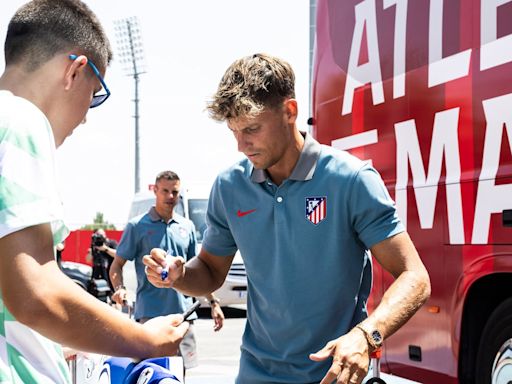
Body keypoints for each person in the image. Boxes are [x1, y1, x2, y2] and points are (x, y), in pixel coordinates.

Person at [143, 53, 431, 384]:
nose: (241, 145)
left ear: (289, 112)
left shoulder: (351, 179)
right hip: (256, 373)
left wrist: (366, 337)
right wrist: (177, 275)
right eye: (234, 131)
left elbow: (415, 277)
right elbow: (209, 272)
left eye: (251, 129)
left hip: (334, 374)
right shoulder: (228, 186)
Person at [0, 2, 188, 383]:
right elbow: (35, 293)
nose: (87, 115)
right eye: (96, 94)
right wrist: (145, 339)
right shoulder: (21, 121)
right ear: (76, 70)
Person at [110, 170, 225, 374]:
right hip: (150, 317)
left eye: (175, 192)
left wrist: (214, 303)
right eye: (165, 191)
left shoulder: (187, 226)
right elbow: (116, 264)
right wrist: (119, 289)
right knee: (152, 374)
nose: (171, 197)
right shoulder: (137, 226)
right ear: (155, 190)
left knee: (180, 374)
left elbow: (200, 271)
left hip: (184, 315)